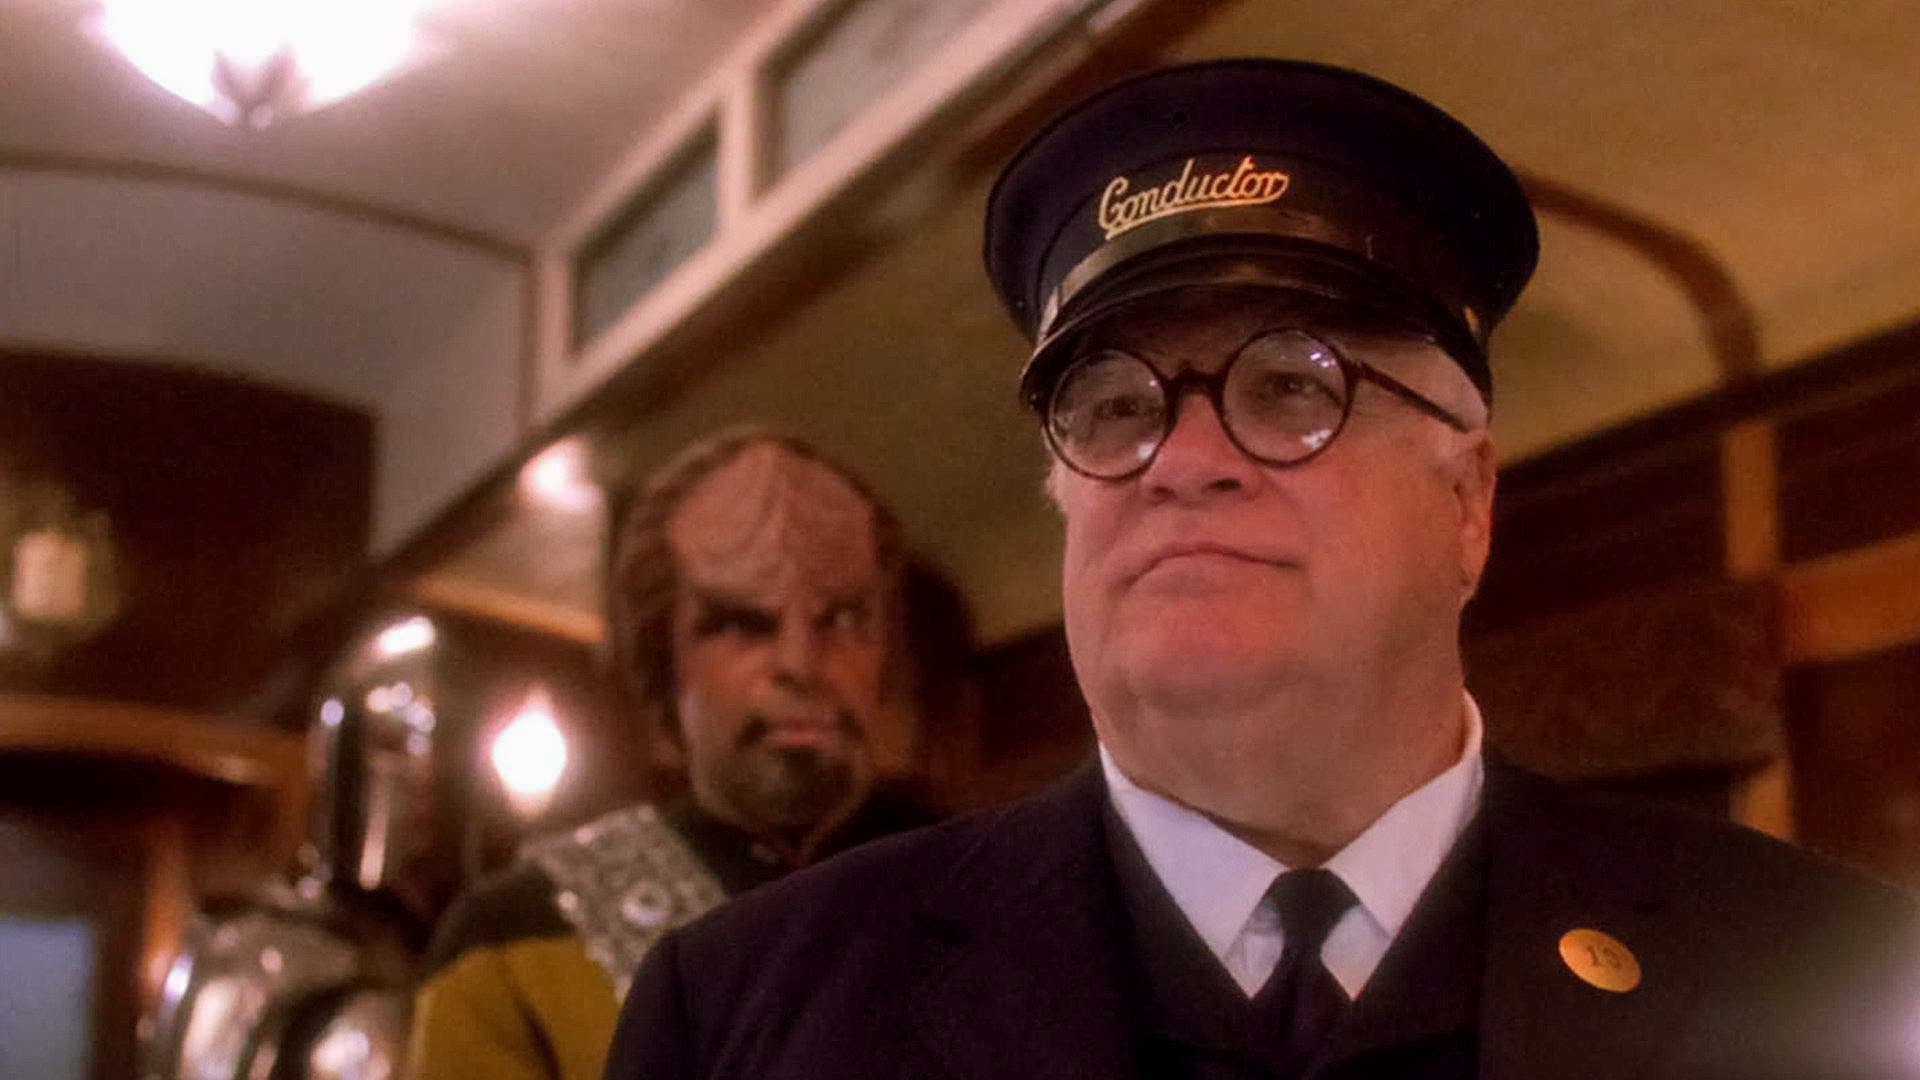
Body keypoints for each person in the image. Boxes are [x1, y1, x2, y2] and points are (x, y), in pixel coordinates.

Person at [600, 59, 1920, 1080]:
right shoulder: (744, 1013)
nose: (1180, 460)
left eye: (1293, 385)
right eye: (1115, 408)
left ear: (1467, 501)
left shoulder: (1820, 978)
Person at [407, 429, 932, 1080]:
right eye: (742, 624)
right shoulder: (509, 939)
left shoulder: (998, 887)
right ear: (664, 661)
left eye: (844, 619)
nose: (802, 664)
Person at [145, 614, 461, 1080]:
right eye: (396, 748)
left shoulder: (465, 953)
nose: (424, 795)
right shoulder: (255, 948)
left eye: (447, 763)